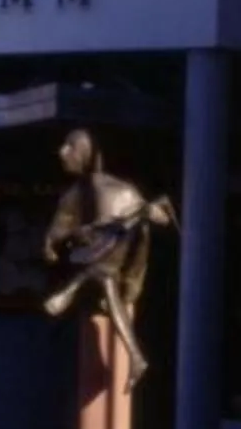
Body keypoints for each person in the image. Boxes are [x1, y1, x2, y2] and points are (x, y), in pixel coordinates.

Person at [41, 128, 174, 384]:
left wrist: (132, 283)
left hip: (113, 273)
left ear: (86, 154)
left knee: (104, 275)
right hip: (94, 273)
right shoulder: (73, 196)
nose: (62, 152)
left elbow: (143, 240)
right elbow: (54, 239)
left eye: (70, 147)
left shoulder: (125, 193)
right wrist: (65, 239)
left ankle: (69, 292)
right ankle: (136, 357)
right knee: (103, 277)